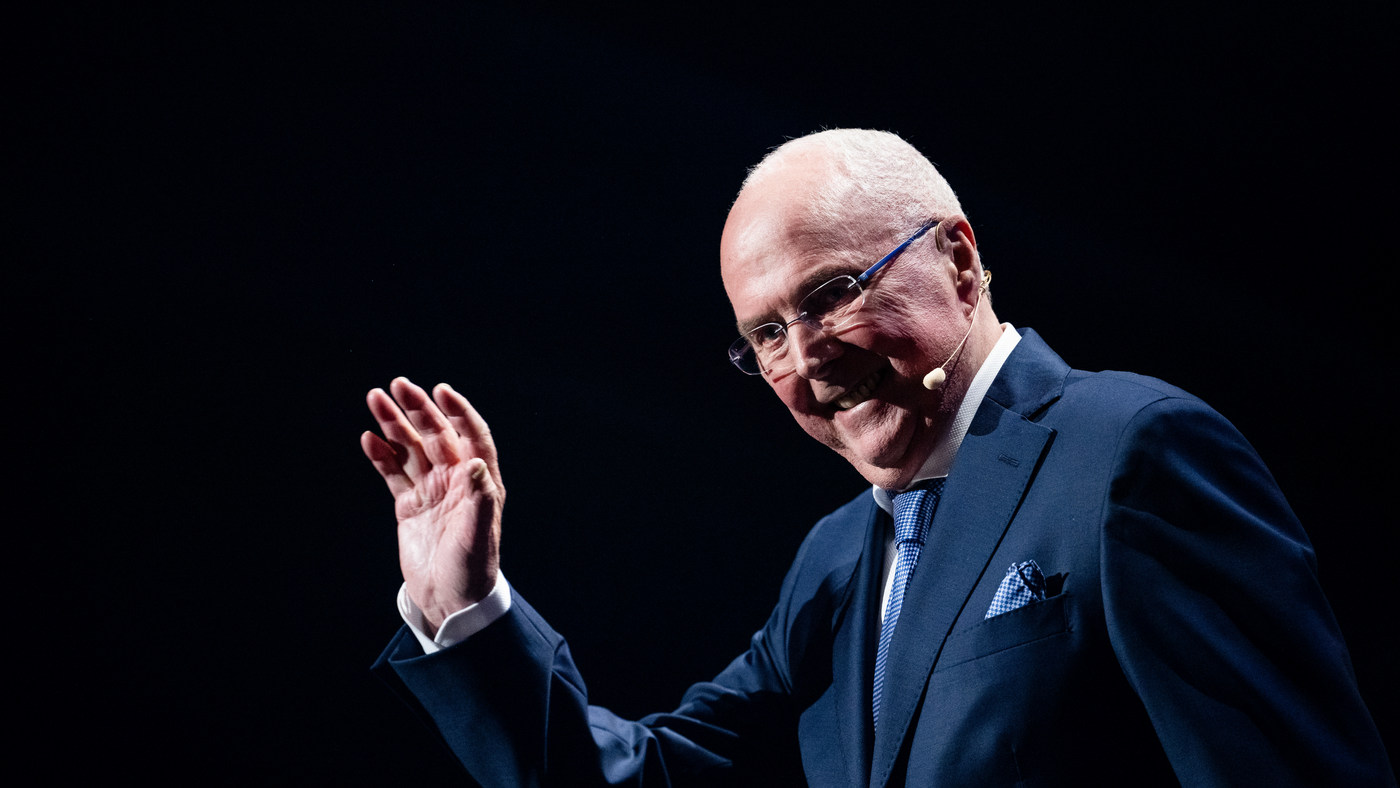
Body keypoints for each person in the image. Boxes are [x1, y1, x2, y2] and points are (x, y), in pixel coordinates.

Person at [365, 129, 1393, 785]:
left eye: (830, 294)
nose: (806, 357)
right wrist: (469, 609)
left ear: (959, 259)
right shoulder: (836, 561)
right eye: (766, 334)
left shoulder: (1128, 454)